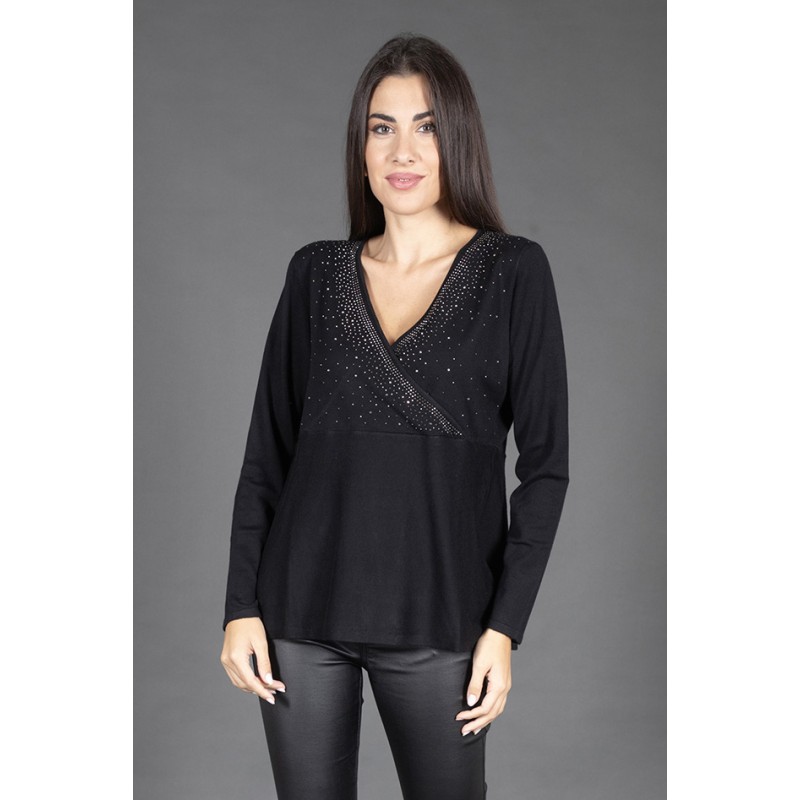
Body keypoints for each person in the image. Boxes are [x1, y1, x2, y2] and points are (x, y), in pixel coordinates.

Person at [219, 32, 570, 800]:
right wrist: (241, 607)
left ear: (458, 141)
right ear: (361, 147)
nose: (402, 150)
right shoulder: (315, 274)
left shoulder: (514, 272)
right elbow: (267, 455)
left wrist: (503, 628)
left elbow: (546, 470)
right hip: (299, 618)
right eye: (382, 128)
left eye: (426, 127)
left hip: (441, 618)